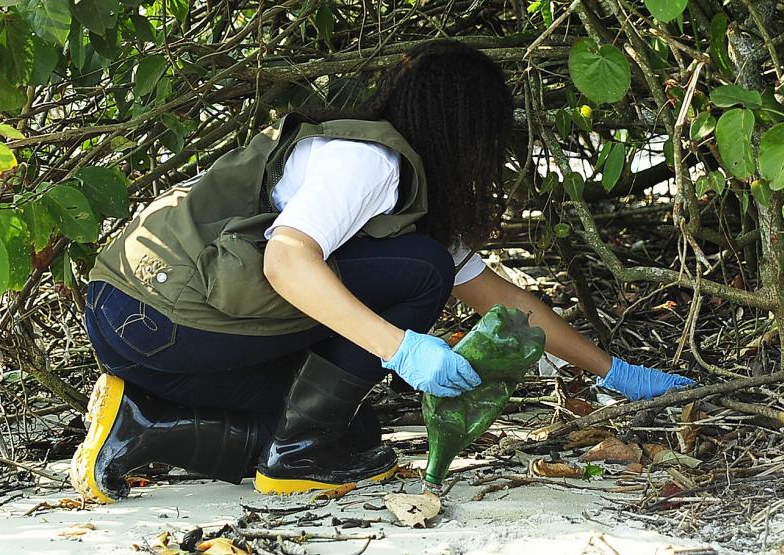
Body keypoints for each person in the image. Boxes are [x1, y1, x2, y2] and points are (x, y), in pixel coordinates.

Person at [71, 39, 695, 504]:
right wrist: (402, 349)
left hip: (132, 328)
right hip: (165, 316)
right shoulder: (367, 161)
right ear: (465, 131)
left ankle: (144, 422)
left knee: (358, 435)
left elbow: (497, 297)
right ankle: (298, 453)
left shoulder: (404, 191)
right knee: (422, 271)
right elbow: (286, 258)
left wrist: (617, 373)